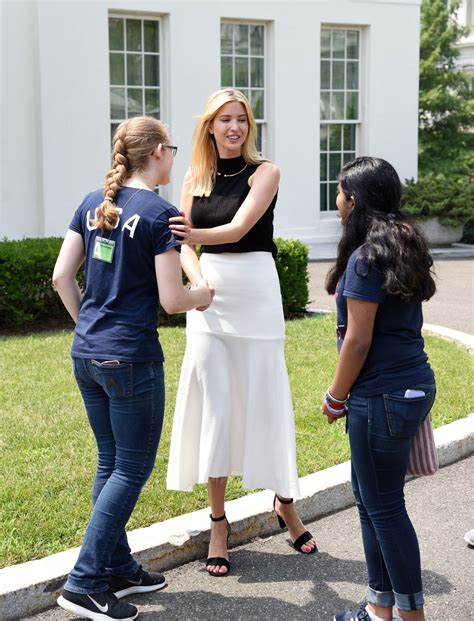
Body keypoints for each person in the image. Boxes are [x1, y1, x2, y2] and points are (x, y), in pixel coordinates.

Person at [52, 116, 213, 621]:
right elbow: (172, 299)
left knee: (110, 462)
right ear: (158, 153)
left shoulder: (92, 203)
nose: (175, 157)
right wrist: (202, 294)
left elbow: (61, 277)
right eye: (172, 149)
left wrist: (91, 332)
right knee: (130, 468)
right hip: (130, 360)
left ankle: (117, 567)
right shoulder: (161, 213)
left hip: (88, 355)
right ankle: (84, 583)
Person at [166, 88, 317, 578]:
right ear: (209, 126)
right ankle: (217, 522)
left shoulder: (266, 171)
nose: (234, 127)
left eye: (242, 119)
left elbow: (236, 228)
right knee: (218, 406)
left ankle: (285, 504)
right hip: (208, 298)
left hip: (255, 290)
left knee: (266, 400)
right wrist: (197, 277)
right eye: (225, 119)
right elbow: (182, 246)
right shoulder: (193, 177)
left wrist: (191, 240)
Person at [322, 157, 437, 621]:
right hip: (410, 385)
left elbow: (358, 340)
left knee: (384, 509)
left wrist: (335, 395)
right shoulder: (404, 244)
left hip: (382, 394)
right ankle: (378, 607)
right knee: (373, 502)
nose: (336, 199)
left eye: (339, 191)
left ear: (354, 200)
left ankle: (410, 616)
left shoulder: (365, 258)